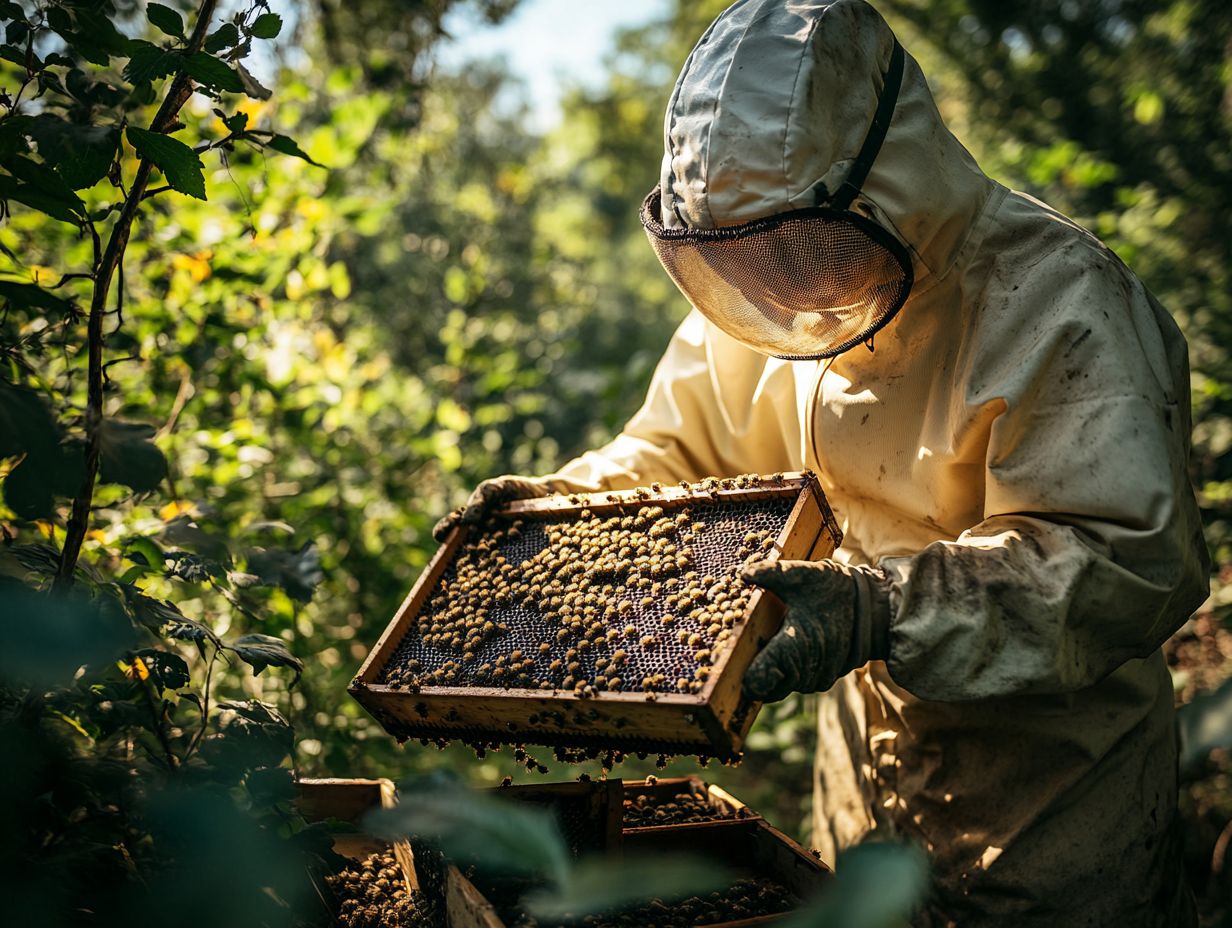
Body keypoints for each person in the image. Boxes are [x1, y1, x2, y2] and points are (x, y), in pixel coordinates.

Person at [435, 1, 1210, 923]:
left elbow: (1127, 559)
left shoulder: (1064, 303)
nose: (776, 287)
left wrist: (882, 609)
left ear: (888, 180)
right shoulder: (773, 290)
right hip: (862, 783)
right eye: (746, 256)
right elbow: (678, 452)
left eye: (798, 246)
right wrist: (560, 509)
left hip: (1051, 801)